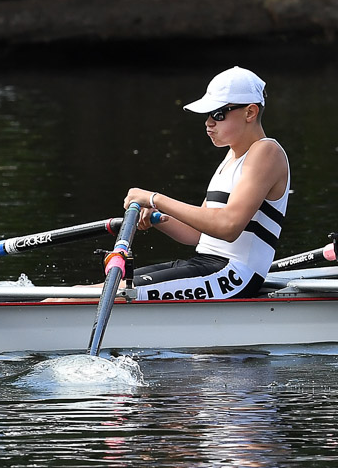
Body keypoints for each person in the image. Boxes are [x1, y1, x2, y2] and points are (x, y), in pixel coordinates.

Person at [119, 66, 290, 301]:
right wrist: (156, 214)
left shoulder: (266, 152)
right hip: (208, 267)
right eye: (207, 114)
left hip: (233, 276)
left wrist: (154, 198)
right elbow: (197, 233)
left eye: (218, 114)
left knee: (101, 294)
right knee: (93, 288)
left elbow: (228, 227)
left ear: (250, 113)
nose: (208, 123)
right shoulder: (231, 157)